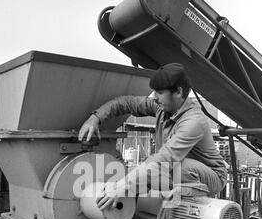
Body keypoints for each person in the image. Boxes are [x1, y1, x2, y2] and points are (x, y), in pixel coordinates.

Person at [78, 63, 228, 210]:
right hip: (174, 167)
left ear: (179, 92)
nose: (154, 97)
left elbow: (163, 160)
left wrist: (120, 187)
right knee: (143, 174)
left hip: (212, 175)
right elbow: (126, 103)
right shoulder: (162, 109)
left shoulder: (193, 121)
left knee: (170, 168)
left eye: (160, 92)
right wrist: (95, 118)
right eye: (154, 92)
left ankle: (191, 192)